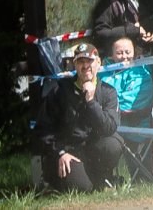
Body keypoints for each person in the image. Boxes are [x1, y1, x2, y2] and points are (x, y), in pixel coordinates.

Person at [35, 43, 122, 193]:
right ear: (74, 65)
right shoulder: (59, 91)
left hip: (93, 150)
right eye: (81, 62)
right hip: (67, 152)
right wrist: (60, 153)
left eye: (90, 61)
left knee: (114, 144)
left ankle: (100, 178)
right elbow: (43, 130)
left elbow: (109, 128)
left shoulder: (108, 92)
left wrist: (91, 101)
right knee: (83, 188)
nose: (86, 66)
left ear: (99, 63)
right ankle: (57, 181)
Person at [99, 37, 153, 125]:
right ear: (112, 55)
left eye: (128, 52)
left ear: (134, 53)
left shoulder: (141, 74)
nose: (124, 56)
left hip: (134, 131)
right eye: (119, 53)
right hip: (107, 125)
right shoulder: (102, 72)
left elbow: (128, 104)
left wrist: (104, 107)